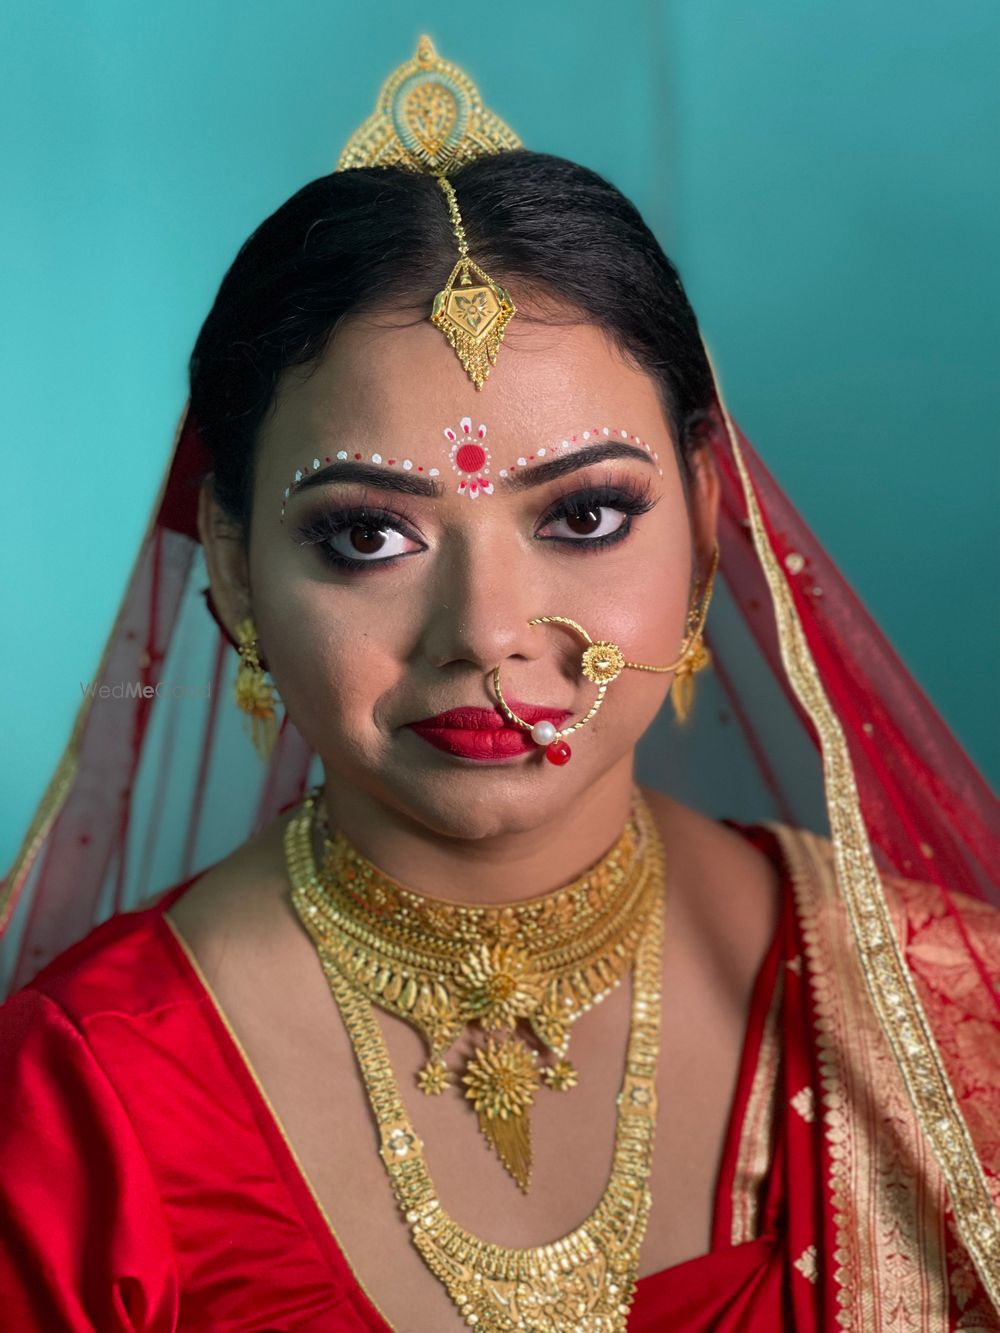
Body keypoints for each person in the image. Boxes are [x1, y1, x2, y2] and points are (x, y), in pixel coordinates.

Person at [1, 36, 997, 1333]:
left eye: (582, 516)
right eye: (367, 533)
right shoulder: (74, 1105)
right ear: (236, 571)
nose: (483, 632)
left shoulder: (946, 1012)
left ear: (705, 525)